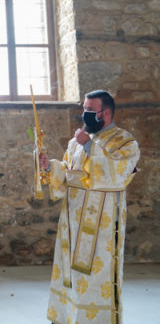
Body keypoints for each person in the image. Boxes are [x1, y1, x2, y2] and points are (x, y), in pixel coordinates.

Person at [38, 90, 140, 324]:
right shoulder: (76, 141)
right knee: (70, 274)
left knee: (94, 276)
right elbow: (67, 171)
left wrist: (90, 146)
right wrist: (49, 167)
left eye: (91, 110)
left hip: (101, 227)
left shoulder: (125, 142)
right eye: (84, 109)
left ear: (106, 113)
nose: (85, 114)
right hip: (72, 222)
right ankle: (66, 318)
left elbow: (119, 174)